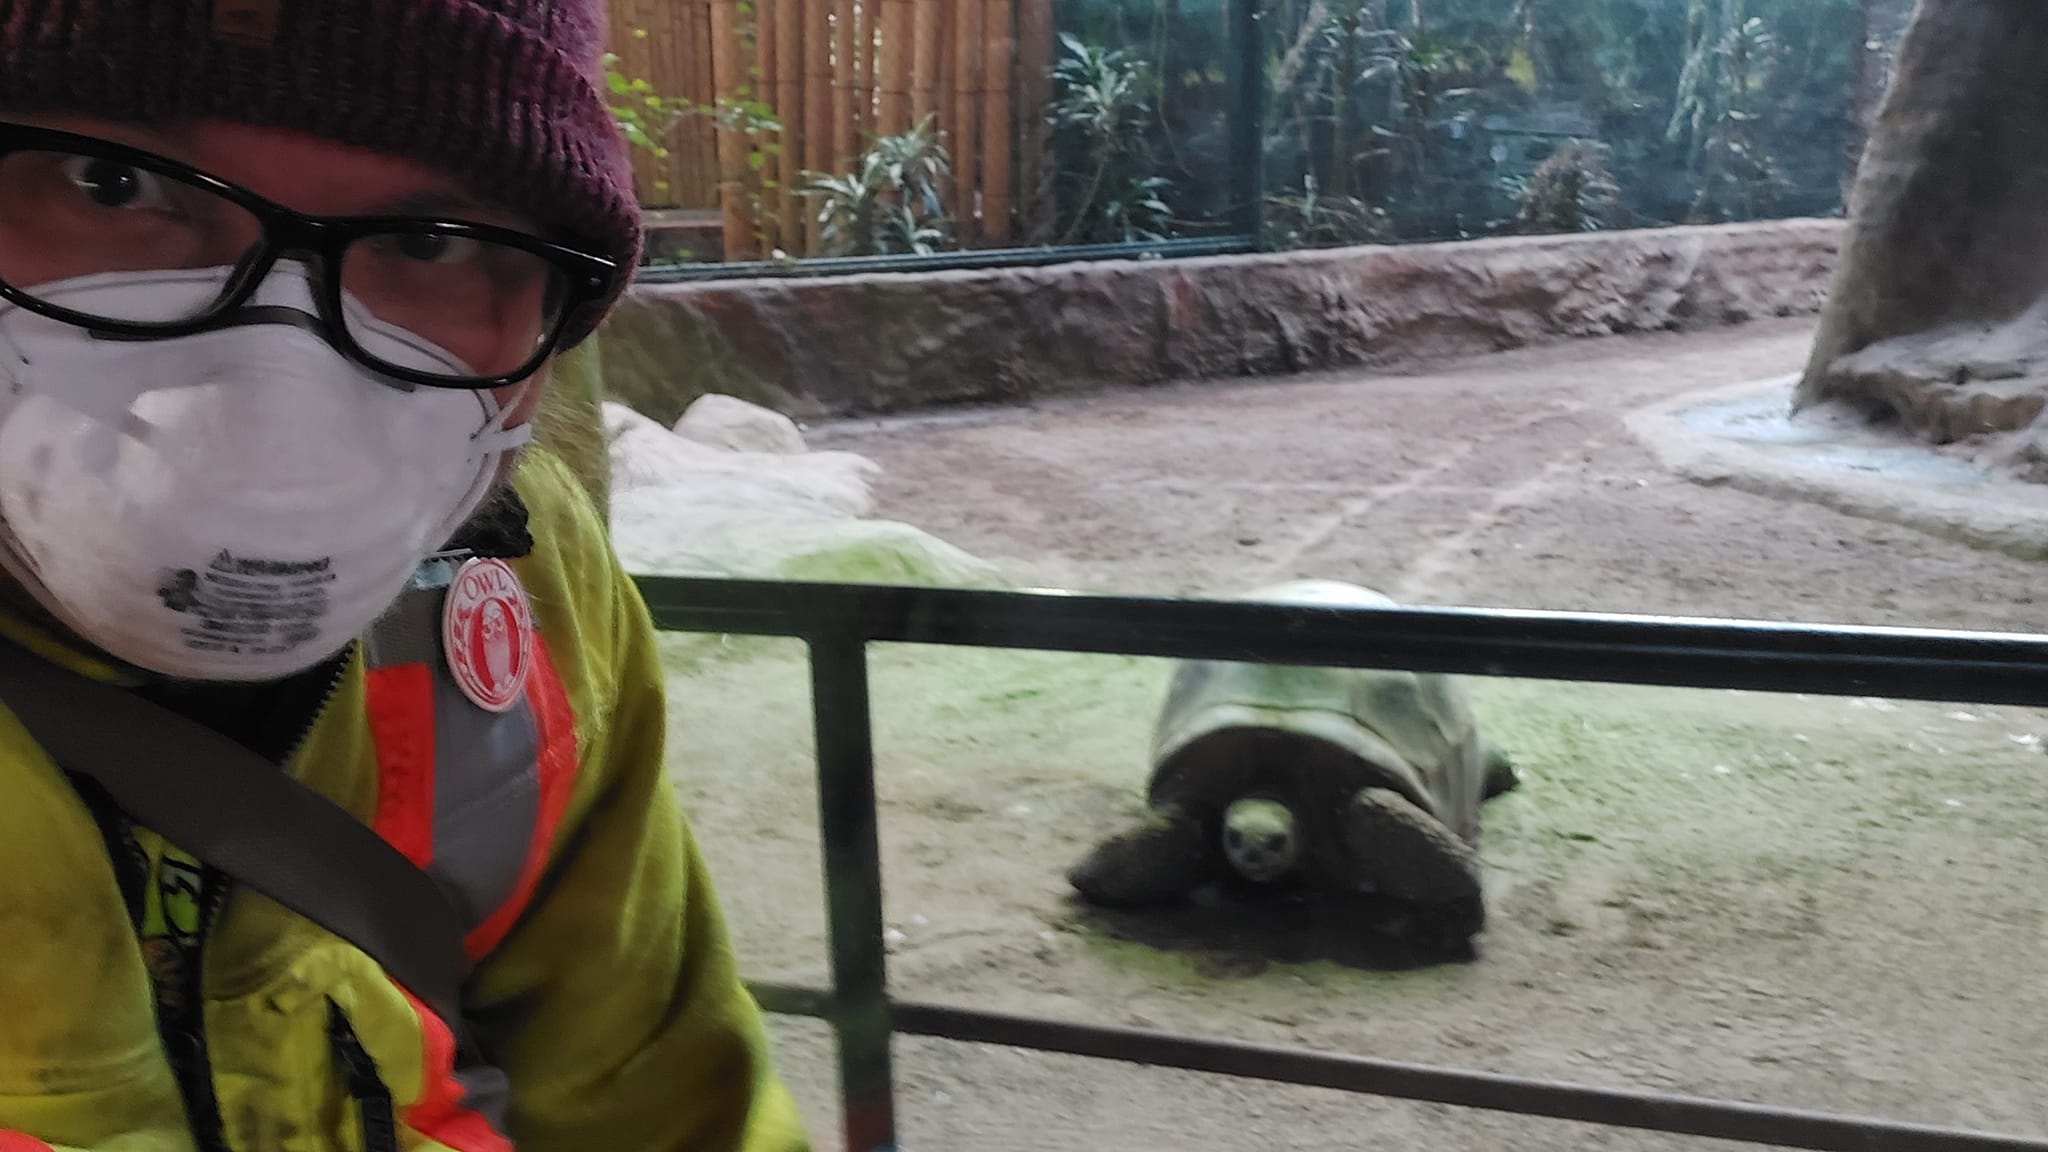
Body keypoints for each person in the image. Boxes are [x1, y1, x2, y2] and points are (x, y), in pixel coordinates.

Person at [0, 2, 811, 1150]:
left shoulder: (521, 588)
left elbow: (660, 1095)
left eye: (428, 243)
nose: (271, 395)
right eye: (108, 185)